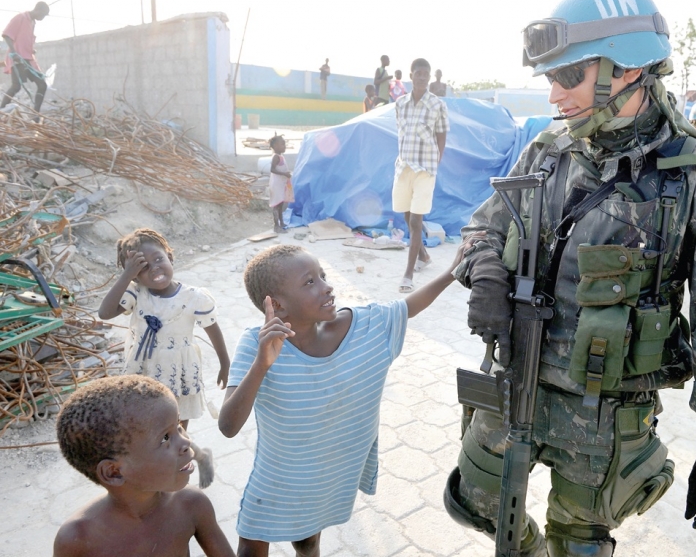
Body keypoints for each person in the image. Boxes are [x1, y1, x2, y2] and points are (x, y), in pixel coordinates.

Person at [442, 0, 696, 556]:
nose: (554, 93)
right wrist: (484, 271)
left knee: (578, 542)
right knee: (472, 504)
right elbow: (482, 228)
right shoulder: (547, 151)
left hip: (603, 414)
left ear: (630, 69)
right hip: (515, 381)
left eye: (568, 74)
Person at [217, 237, 480, 557]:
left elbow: (407, 307)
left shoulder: (363, 325)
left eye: (323, 275)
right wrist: (262, 365)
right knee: (251, 546)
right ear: (279, 304)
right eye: (310, 282)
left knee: (308, 541)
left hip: (326, 473)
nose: (327, 287)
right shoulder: (256, 345)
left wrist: (452, 271)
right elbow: (228, 426)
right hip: (279, 478)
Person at [98, 228, 230, 487]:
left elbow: (213, 330)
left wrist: (225, 363)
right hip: (143, 371)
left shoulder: (194, 297)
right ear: (134, 275)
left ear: (170, 256)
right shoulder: (136, 294)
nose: (154, 268)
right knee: (149, 429)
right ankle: (197, 457)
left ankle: (175, 478)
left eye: (159, 259)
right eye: (142, 267)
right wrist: (127, 275)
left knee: (176, 431)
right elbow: (104, 313)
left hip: (177, 373)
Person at [53, 375, 235, 557]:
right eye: (165, 438)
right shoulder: (77, 539)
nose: (186, 442)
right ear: (114, 472)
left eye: (178, 426)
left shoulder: (190, 504)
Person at [393, 57, 449, 293]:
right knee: (406, 216)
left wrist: (437, 160)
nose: (422, 76)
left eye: (426, 73)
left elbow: (442, 134)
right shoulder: (401, 103)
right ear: (412, 74)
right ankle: (424, 256)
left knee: (416, 221)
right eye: (419, 73)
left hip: (425, 169)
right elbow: (400, 131)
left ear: (429, 76)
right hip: (404, 166)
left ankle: (408, 274)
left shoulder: (437, 105)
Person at [1, 1, 49, 114]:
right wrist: (14, 53)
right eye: (43, 15)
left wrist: (31, 49)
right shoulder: (21, 17)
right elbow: (7, 35)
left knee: (42, 85)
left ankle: (35, 114)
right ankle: (1, 109)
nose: (42, 18)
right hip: (18, 59)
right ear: (38, 10)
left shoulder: (32, 22)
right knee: (16, 86)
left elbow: (24, 39)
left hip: (28, 59)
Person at [268, 134, 294, 233]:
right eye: (282, 144)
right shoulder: (276, 157)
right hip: (276, 185)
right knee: (276, 205)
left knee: (281, 204)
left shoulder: (280, 156)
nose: (284, 146)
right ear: (275, 146)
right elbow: (272, 169)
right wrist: (284, 174)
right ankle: (276, 226)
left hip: (281, 184)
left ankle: (281, 222)